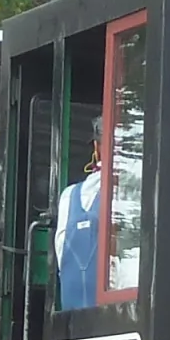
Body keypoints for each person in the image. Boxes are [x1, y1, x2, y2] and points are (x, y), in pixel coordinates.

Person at [55, 118, 104, 311]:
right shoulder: (126, 192)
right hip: (113, 317)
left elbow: (61, 255)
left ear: (96, 147)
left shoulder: (68, 196)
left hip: (71, 319)